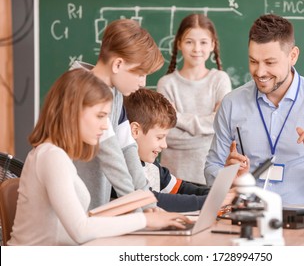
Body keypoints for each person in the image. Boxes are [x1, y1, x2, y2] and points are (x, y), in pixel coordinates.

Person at [204, 14, 304, 245]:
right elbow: (211, 168)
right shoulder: (232, 104)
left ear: (293, 56)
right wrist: (228, 176)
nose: (259, 72)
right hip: (248, 227)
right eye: (253, 61)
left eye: (270, 63)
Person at [8, 69, 190, 246]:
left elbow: (79, 222)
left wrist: (141, 211)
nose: (105, 127)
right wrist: (144, 219)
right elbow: (80, 230)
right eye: (100, 116)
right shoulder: (51, 157)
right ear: (73, 111)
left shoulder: (59, 155)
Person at [71, 19, 164, 209]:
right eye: (140, 74)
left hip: (94, 212)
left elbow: (128, 148)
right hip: (73, 214)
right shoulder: (85, 92)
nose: (143, 83)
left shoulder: (114, 93)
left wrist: (149, 205)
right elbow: (113, 160)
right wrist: (139, 212)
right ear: (118, 65)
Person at [157, 13, 232, 185]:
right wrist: (207, 138)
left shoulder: (220, 80)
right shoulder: (166, 84)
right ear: (179, 44)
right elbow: (166, 136)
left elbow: (222, 127)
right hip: (172, 180)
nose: (197, 49)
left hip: (212, 177)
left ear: (213, 44)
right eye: (189, 41)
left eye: (203, 42)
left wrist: (179, 117)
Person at [123, 88, 210, 212]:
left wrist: (217, 193)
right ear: (135, 130)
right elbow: (154, 199)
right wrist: (209, 201)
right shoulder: (122, 166)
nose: (164, 145)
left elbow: (180, 188)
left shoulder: (152, 165)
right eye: (159, 137)